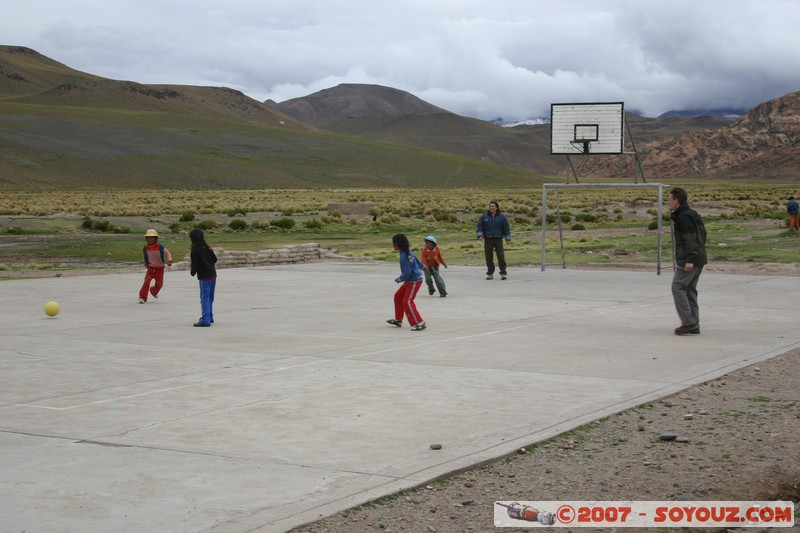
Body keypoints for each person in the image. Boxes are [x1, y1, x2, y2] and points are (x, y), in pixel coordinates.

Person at [668, 187, 707, 336]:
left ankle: (688, 322)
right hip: (699, 257)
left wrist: (690, 259)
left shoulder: (684, 217)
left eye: (670, 199)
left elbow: (690, 239)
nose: (668, 202)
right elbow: (703, 234)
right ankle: (694, 323)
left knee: (677, 286)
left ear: (676, 200)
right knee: (689, 289)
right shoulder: (692, 213)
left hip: (689, 259)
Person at [386, 233, 426, 331]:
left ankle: (419, 322)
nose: (393, 245)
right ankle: (398, 319)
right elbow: (418, 261)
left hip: (414, 281)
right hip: (410, 280)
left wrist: (399, 279)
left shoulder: (404, 255)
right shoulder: (408, 253)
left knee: (407, 301)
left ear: (397, 244)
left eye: (393, 243)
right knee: (398, 296)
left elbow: (407, 273)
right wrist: (424, 268)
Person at [189, 228, 218, 327]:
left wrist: (193, 272)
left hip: (204, 277)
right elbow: (214, 259)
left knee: (204, 298)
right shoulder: (207, 248)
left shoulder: (195, 250)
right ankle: (209, 316)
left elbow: (195, 264)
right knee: (210, 297)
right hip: (213, 275)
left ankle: (205, 319)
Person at [476, 200, 511, 280]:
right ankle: (490, 273)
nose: (491, 207)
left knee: (501, 256)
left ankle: (503, 273)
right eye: (490, 206)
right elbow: (479, 227)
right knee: (488, 257)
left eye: (493, 206)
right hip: (488, 239)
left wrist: (507, 238)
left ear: (496, 208)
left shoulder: (502, 217)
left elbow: (506, 228)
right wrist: (480, 235)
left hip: (498, 239)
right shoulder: (484, 217)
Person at [139, 229, 172, 303]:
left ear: (155, 238)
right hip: (150, 268)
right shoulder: (145, 248)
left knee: (159, 284)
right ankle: (142, 297)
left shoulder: (160, 247)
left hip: (159, 269)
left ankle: (153, 291)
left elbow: (168, 254)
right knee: (146, 282)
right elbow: (145, 257)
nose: (150, 239)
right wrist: (147, 265)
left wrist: (169, 260)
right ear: (146, 239)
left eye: (152, 237)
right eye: (148, 237)